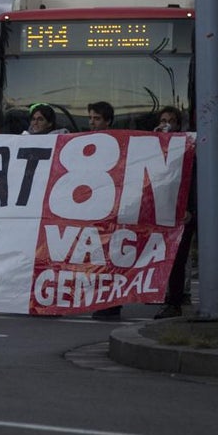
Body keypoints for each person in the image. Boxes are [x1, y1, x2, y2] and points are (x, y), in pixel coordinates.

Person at [155, 106, 193, 319]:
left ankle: (174, 301)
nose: (166, 124)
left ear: (178, 125)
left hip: (181, 211)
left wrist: (190, 209)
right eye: (163, 120)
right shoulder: (153, 147)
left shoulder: (187, 148)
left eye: (171, 120)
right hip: (161, 209)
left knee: (178, 257)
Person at [88, 101, 121, 320]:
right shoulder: (84, 142)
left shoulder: (117, 142)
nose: (92, 122)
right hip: (92, 208)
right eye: (90, 118)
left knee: (112, 258)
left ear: (108, 121)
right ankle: (102, 301)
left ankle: (112, 303)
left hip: (112, 210)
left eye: (97, 118)